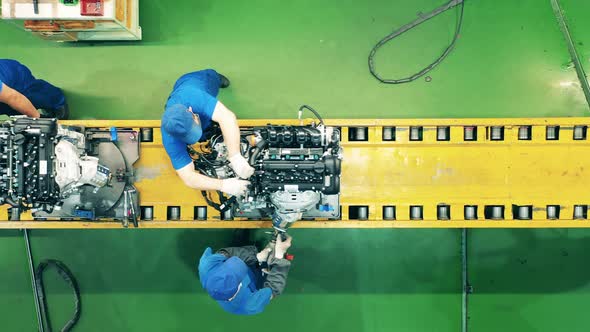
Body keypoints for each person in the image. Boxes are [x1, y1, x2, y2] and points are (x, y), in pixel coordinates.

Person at [161, 69, 254, 197]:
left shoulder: (194, 97)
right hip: (182, 103)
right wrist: (223, 185)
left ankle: (216, 77)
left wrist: (235, 156)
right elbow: (188, 177)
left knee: (214, 79)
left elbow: (227, 117)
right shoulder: (170, 137)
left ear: (191, 112)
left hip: (198, 80)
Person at [198, 234, 293, 315]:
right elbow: (274, 290)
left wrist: (255, 257)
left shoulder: (206, 267)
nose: (239, 263)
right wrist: (280, 256)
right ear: (239, 285)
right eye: (240, 270)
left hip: (251, 259)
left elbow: (225, 253)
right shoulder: (249, 305)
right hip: (255, 283)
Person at [0, 59, 69, 119]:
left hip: (14, 76)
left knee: (32, 97)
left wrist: (38, 118)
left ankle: (57, 101)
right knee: (14, 110)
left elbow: (14, 98)